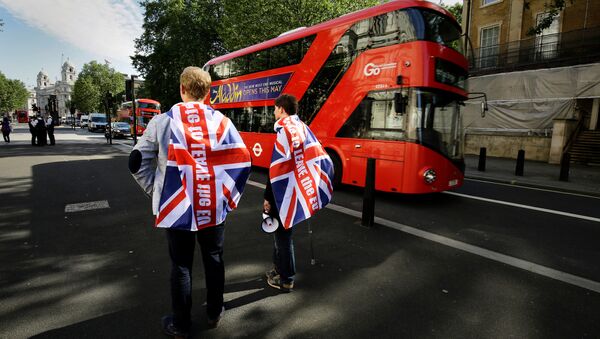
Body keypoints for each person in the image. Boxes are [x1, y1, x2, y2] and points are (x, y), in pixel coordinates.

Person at [129, 66, 251, 338]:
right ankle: (214, 312)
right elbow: (242, 160)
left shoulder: (163, 121)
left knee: (181, 265)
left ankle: (181, 324)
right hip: (213, 207)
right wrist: (227, 197)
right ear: (208, 93)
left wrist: (158, 192)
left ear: (182, 89)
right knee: (214, 258)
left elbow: (136, 162)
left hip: (177, 207)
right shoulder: (222, 122)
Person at [263, 94, 334, 293]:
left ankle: (286, 278)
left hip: (283, 191)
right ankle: (279, 269)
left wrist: (268, 197)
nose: (274, 112)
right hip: (295, 190)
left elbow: (275, 168)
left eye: (275, 109)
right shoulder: (302, 127)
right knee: (282, 233)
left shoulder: (284, 130)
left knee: (282, 236)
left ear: (282, 109)